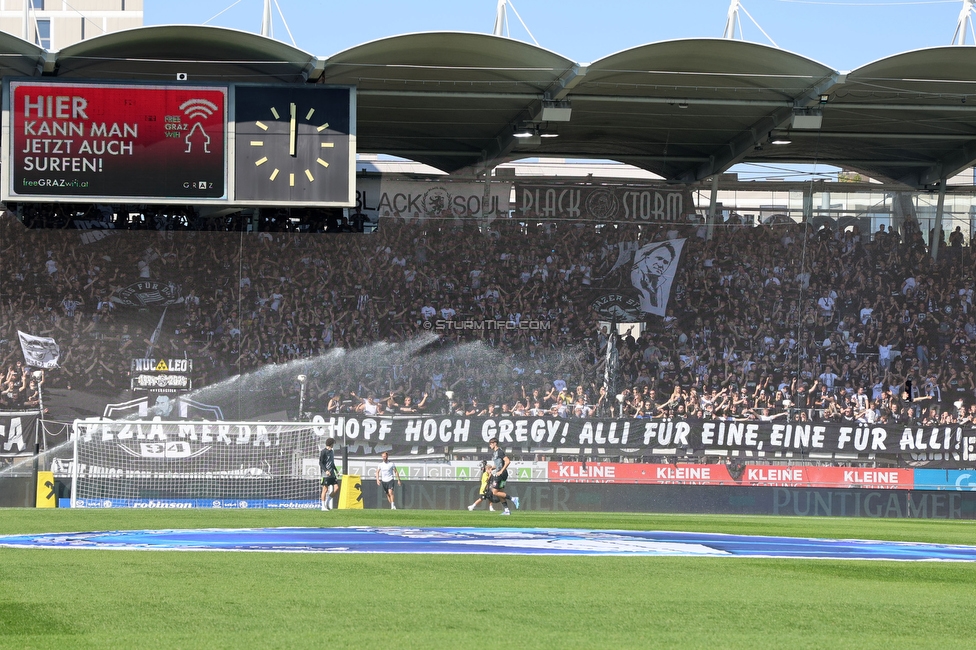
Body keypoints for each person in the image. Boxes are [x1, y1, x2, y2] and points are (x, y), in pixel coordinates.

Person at [631, 241, 676, 313]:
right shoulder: (635, 275)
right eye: (659, 258)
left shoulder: (659, 282)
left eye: (666, 262)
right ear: (647, 256)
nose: (661, 265)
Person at [487, 437, 519, 515]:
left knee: (494, 492)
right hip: (501, 473)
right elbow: (498, 464)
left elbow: (507, 461)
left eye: (491, 443)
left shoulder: (500, 451)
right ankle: (507, 510)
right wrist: (492, 468)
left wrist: (501, 471)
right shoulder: (494, 453)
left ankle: (513, 499)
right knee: (500, 493)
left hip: (501, 474)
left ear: (495, 443)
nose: (490, 445)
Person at [319, 437, 338, 511]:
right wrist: (326, 470)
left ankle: (327, 502)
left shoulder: (332, 452)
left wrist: (336, 470)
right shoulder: (323, 451)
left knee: (336, 488)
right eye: (333, 443)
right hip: (325, 474)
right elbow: (320, 462)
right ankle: (323, 506)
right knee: (325, 489)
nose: (334, 445)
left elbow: (332, 463)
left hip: (332, 474)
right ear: (331, 444)